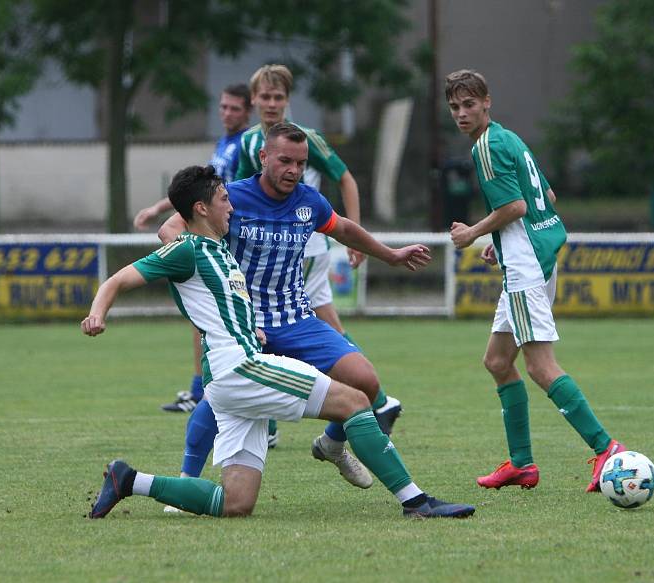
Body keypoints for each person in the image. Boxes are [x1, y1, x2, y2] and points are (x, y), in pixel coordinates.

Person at [84, 164, 474, 520]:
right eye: (224, 201)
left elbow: (208, 305)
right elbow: (117, 280)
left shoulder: (219, 252)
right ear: (201, 209)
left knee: (236, 503)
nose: (231, 208)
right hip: (240, 368)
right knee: (355, 401)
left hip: (229, 376)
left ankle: (129, 480)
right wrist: (98, 313)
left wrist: (246, 327)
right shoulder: (187, 249)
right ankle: (417, 502)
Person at [156, 123, 414, 497]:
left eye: (301, 162)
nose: (293, 169)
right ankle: (185, 484)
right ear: (264, 158)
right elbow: (170, 229)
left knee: (366, 381)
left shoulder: (309, 202)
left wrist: (390, 256)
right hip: (245, 325)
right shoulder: (232, 197)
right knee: (214, 401)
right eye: (285, 161)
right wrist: (196, 260)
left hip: (296, 319)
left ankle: (331, 445)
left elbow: (342, 228)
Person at [444, 69, 625, 492]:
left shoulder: (486, 146)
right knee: (497, 361)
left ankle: (606, 448)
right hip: (534, 254)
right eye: (454, 107)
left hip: (526, 266)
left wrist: (473, 233)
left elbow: (516, 206)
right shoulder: (510, 138)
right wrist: (500, 241)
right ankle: (522, 464)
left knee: (541, 366)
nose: (461, 113)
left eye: (469, 104)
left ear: (487, 102)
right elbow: (548, 197)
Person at [234, 64, 402, 434]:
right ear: (254, 101)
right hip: (267, 249)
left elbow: (344, 178)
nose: (272, 103)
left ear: (288, 101)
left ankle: (368, 399)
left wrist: (359, 237)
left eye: (279, 97)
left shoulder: (307, 137)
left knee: (301, 323)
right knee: (309, 324)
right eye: (266, 97)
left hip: (306, 245)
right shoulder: (248, 142)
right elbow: (235, 194)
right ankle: (370, 402)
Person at [133, 83, 252, 413]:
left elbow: (226, 192)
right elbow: (195, 186)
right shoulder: (224, 143)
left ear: (248, 110)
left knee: (232, 320)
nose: (227, 113)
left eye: (235, 108)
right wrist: (158, 208)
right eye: (223, 106)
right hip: (209, 234)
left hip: (230, 237)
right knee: (205, 316)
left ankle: (216, 394)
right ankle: (201, 389)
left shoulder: (247, 143)